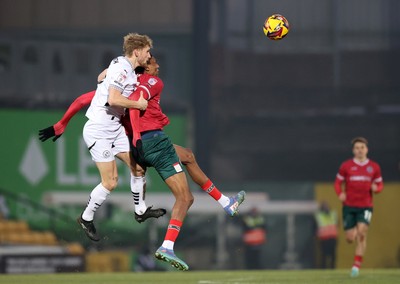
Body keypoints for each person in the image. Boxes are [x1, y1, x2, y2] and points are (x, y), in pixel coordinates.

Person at [39, 57, 246, 219]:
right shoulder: (145, 83)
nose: (156, 63)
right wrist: (137, 135)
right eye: (151, 58)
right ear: (144, 66)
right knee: (183, 197)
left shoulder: (121, 84)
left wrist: (62, 123)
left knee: (183, 157)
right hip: (143, 139)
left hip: (131, 137)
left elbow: (83, 98)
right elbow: (136, 105)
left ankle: (224, 202)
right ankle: (166, 242)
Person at [40, 33, 167, 242]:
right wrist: (138, 104)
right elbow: (113, 98)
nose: (149, 55)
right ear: (137, 51)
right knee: (110, 182)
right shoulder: (121, 68)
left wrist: (105, 77)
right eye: (147, 51)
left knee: (139, 166)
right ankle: (86, 217)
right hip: (99, 129)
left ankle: (140, 210)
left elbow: (96, 85)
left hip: (114, 127)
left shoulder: (123, 68)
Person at [334, 137, 383, 277]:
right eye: (357, 148)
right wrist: (340, 193)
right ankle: (354, 229)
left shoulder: (374, 167)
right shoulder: (346, 166)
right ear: (353, 151)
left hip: (366, 207)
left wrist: (377, 189)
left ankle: (356, 266)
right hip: (349, 206)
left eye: (362, 147)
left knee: (362, 233)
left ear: (367, 149)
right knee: (350, 238)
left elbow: (380, 184)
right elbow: (337, 183)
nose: (360, 150)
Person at [314, 201, 338, 269]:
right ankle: (323, 268)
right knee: (323, 256)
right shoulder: (318, 216)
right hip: (323, 239)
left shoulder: (333, 214)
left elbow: (337, 224)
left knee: (333, 256)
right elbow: (315, 227)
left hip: (333, 238)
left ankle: (332, 268)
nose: (326, 208)